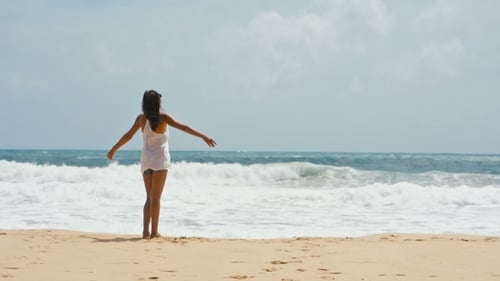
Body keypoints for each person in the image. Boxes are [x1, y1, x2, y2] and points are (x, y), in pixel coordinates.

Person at [107, 89, 216, 239]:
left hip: (146, 160)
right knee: (156, 198)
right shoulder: (163, 118)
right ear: (158, 103)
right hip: (160, 160)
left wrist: (114, 149)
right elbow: (184, 127)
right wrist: (203, 136)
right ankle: (154, 232)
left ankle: (145, 232)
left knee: (148, 197)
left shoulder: (141, 119)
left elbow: (128, 135)